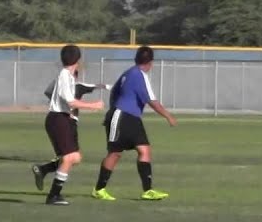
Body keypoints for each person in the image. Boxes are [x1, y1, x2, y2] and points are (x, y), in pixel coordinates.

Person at [92, 45, 178, 201]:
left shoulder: (128, 73)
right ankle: (99, 189)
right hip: (121, 116)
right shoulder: (140, 75)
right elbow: (152, 101)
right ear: (151, 62)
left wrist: (113, 108)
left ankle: (148, 190)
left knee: (144, 150)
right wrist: (168, 116)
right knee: (115, 153)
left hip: (132, 118)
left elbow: (114, 92)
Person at [31, 45, 102, 205]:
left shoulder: (68, 76)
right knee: (69, 158)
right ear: (78, 60)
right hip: (57, 119)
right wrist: (93, 105)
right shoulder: (64, 75)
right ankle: (53, 196)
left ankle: (43, 170)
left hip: (62, 118)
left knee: (75, 157)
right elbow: (70, 101)